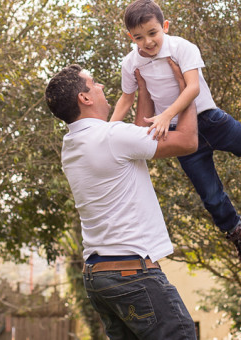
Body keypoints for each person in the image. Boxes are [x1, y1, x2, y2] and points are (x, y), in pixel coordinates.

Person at [109, 0, 241, 267]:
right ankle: (235, 230)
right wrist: (107, 131)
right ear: (130, 37)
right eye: (139, 37)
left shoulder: (182, 47)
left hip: (209, 119)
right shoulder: (131, 63)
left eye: (152, 33)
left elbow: (193, 88)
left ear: (165, 27)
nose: (147, 42)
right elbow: (126, 100)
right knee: (210, 194)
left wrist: (166, 114)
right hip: (180, 134)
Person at [45, 59, 198, 339]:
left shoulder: (72, 146)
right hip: (132, 275)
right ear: (85, 97)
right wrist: (185, 88)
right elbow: (188, 141)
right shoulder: (113, 137)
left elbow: (137, 136)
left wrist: (143, 90)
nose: (101, 86)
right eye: (94, 83)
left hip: (99, 277)